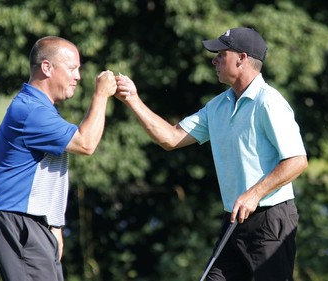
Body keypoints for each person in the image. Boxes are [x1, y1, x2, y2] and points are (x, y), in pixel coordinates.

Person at [116, 27, 307, 280]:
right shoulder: (217, 106)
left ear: (241, 58)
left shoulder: (269, 102)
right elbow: (171, 138)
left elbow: (297, 160)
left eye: (221, 53)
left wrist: (254, 193)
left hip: (271, 220)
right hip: (234, 220)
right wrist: (132, 99)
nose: (213, 59)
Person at [0, 36, 117, 281]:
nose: (78, 77)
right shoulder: (32, 111)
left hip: (31, 222)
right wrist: (101, 95)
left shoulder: (41, 109)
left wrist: (54, 224)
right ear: (47, 68)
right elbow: (86, 144)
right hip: (17, 221)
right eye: (73, 69)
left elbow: (44, 174)